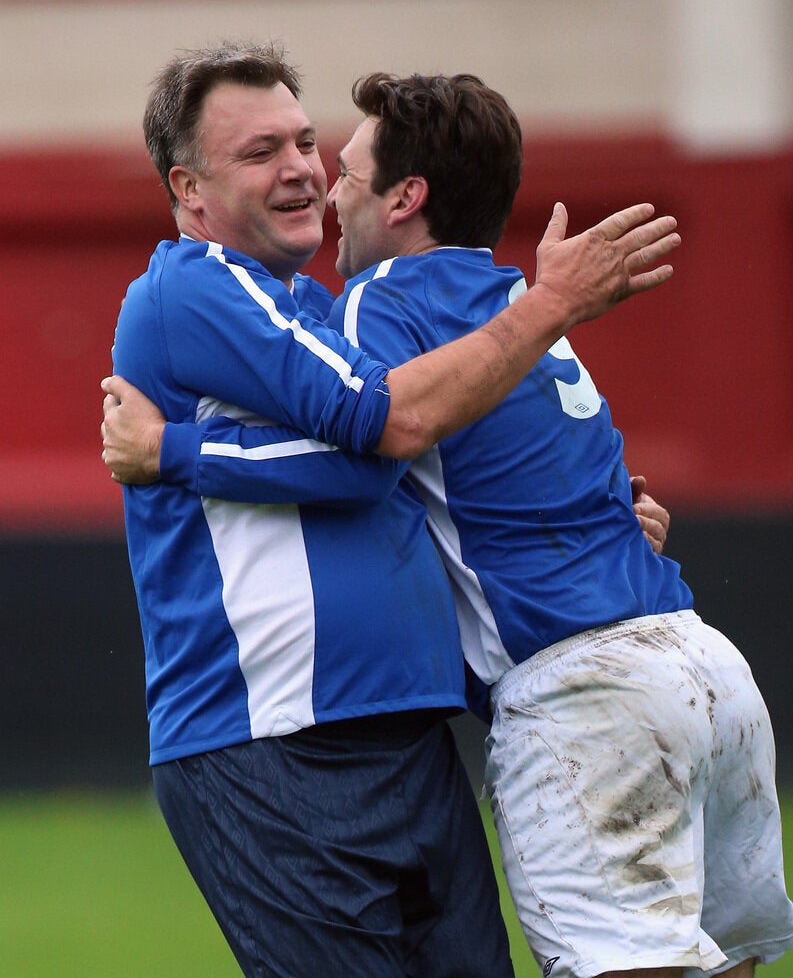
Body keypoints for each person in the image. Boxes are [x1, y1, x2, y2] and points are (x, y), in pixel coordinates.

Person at [104, 68, 793, 978]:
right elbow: (409, 444)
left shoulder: (372, 306)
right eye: (262, 150)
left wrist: (171, 454)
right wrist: (607, 525)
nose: (312, 174)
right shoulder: (490, 305)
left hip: (552, 699)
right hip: (678, 663)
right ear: (186, 187)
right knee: (704, 958)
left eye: (318, 152)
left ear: (404, 196)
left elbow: (387, 432)